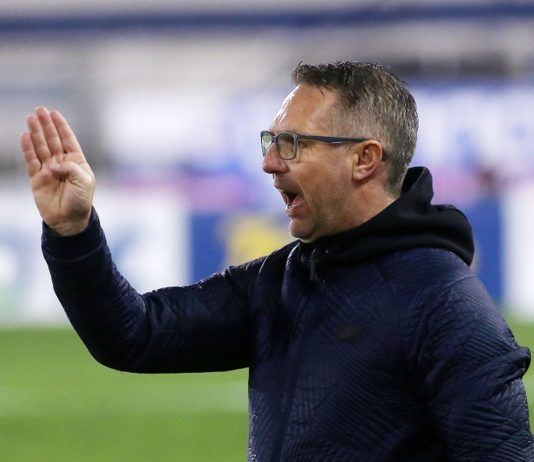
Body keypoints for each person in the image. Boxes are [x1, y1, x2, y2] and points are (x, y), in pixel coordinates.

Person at [21, 61, 533, 461]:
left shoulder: (445, 304)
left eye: (292, 144)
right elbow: (134, 334)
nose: (268, 162)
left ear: (364, 159)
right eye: (271, 141)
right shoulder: (281, 277)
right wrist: (73, 231)